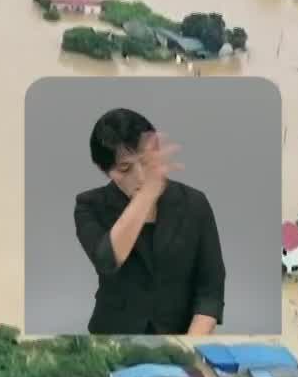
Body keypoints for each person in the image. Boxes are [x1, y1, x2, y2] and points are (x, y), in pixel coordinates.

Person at [72, 107, 225, 335]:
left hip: (180, 334)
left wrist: (191, 345)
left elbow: (210, 289)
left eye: (145, 162)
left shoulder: (194, 203)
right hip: (113, 334)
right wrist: (147, 195)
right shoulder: (90, 205)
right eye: (125, 168)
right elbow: (106, 261)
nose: (140, 176)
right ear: (105, 171)